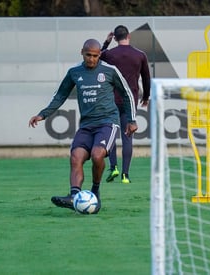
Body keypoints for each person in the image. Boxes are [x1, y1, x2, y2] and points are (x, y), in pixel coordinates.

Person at [29, 39, 137, 213]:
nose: (92, 59)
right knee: (75, 157)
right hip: (87, 125)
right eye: (88, 55)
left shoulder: (110, 71)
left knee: (97, 155)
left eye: (95, 56)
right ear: (82, 52)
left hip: (108, 123)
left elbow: (127, 93)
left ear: (99, 55)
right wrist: (43, 114)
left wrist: (132, 119)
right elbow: (60, 95)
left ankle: (95, 191)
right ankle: (74, 196)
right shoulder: (74, 72)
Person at [100, 25, 151, 184]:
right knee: (127, 137)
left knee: (111, 135)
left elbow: (95, 58)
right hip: (131, 101)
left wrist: (106, 44)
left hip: (112, 100)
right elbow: (146, 78)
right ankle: (125, 175)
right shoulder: (140, 55)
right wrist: (146, 97)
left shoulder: (109, 54)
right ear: (128, 35)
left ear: (114, 37)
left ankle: (113, 166)